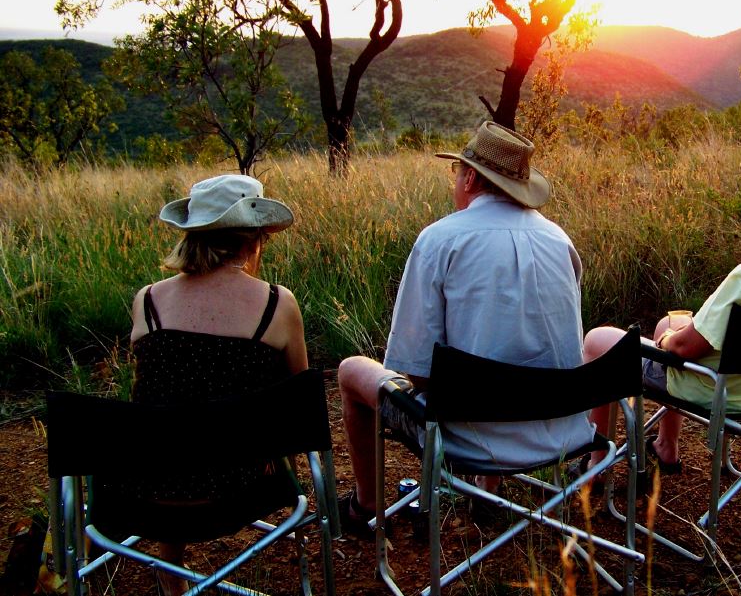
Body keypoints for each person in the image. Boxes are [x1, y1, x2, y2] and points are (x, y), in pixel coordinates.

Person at [336, 121, 594, 535]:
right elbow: (561, 346)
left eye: (457, 172)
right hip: (562, 429)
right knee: (497, 349)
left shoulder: (440, 240)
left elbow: (414, 370)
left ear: (470, 177)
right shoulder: (559, 240)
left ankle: (367, 504)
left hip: (466, 438)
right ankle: (483, 495)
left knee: (351, 370)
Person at [582, 169, 741, 473]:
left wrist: (665, 343)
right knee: (670, 322)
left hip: (715, 390)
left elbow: (683, 349)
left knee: (598, 340)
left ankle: (595, 465)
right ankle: (666, 447)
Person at [123, 174, 307, 596]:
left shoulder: (147, 301)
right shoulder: (277, 305)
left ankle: (171, 570)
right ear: (255, 236)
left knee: (173, 421)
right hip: (240, 489)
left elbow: (150, 394)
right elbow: (299, 405)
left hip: (148, 492)